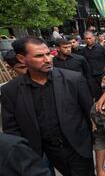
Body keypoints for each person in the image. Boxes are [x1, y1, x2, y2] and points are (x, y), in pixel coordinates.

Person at [1, 37, 95, 176]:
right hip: (44, 152)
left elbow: (89, 114)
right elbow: (12, 129)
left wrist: (90, 142)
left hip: (79, 148)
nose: (47, 59)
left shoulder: (73, 79)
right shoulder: (10, 90)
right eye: (39, 56)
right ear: (21, 58)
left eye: (48, 53)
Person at [82, 30, 105, 100]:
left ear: (94, 38)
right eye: (86, 39)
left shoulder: (102, 48)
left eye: (90, 38)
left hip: (102, 76)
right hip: (91, 78)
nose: (88, 40)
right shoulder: (83, 51)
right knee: (97, 96)